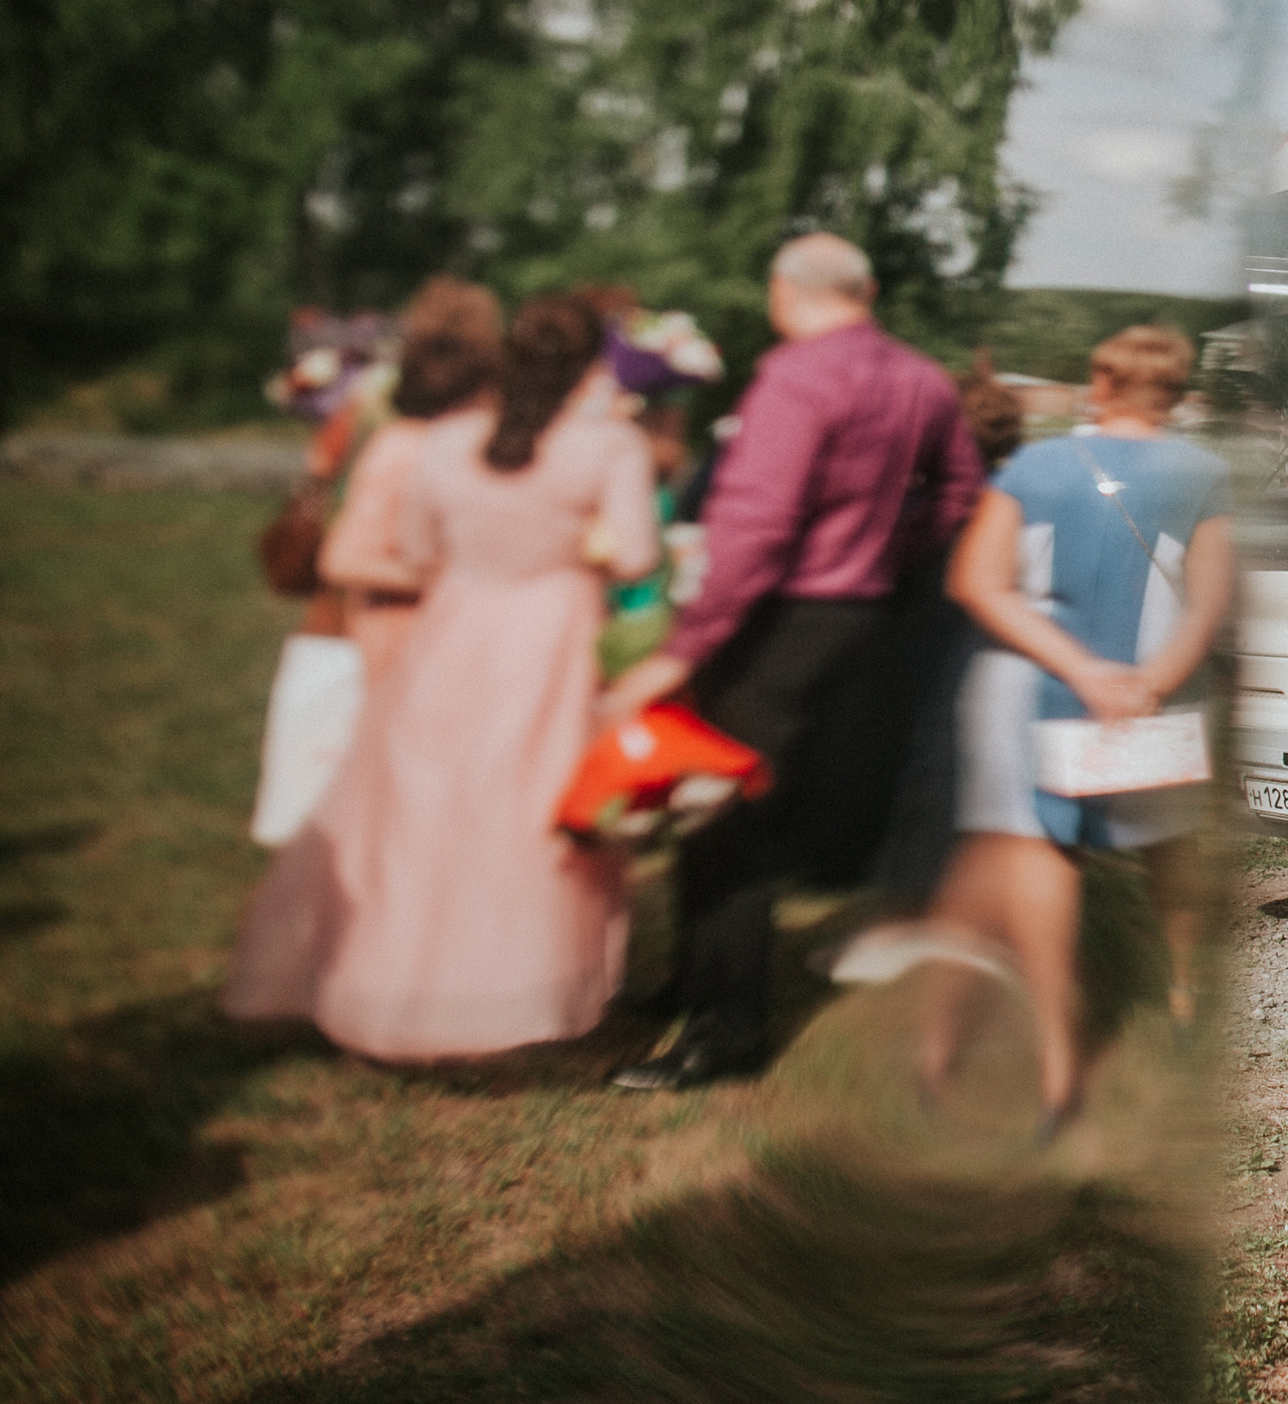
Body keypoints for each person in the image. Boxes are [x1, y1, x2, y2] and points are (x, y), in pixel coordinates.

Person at [224, 295, 661, 1059]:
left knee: (427, 807)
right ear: (594, 365)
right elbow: (635, 556)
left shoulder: (448, 438)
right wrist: (571, 545)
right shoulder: (609, 445)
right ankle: (519, 988)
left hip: (454, 627)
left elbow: (422, 547)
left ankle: (390, 979)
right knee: (531, 810)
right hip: (552, 634)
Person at [600, 232, 983, 1091]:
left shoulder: (797, 374)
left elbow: (756, 522)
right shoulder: (922, 378)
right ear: (867, 288)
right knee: (744, 806)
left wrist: (683, 647)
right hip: (852, 616)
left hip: (775, 614)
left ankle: (723, 1035)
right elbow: (959, 493)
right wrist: (884, 551)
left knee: (724, 816)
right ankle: (695, 987)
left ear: (785, 290)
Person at [927, 325, 1235, 1126]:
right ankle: (1184, 993)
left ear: (1099, 383)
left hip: (1038, 691)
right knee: (1168, 847)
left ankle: (1058, 1061)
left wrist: (1082, 671)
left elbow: (977, 581)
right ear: (1175, 390)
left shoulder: (1037, 464)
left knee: (1040, 856)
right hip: (1155, 699)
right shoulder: (1204, 471)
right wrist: (1148, 682)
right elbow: (1209, 600)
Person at [318, 328, 500, 682]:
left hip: (433, 638)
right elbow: (344, 560)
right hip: (403, 642)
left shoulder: (429, 444)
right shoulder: (403, 447)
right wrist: (457, 576)